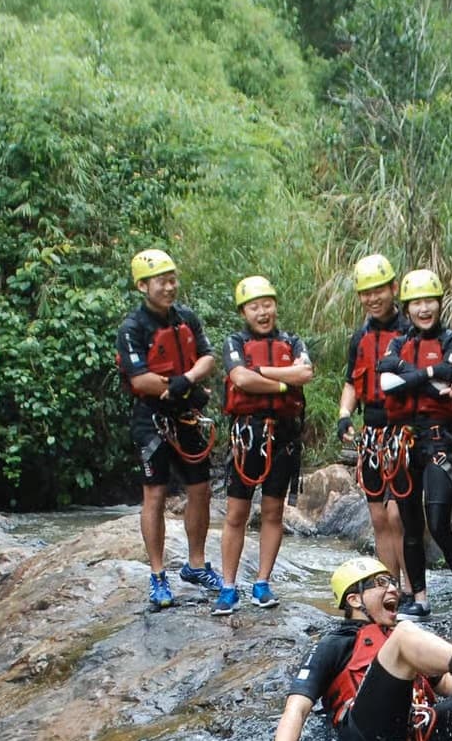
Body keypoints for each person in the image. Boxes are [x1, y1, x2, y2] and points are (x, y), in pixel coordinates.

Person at [269, 557, 452, 741]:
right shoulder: (336, 643)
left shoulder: (412, 646)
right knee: (405, 634)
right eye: (380, 583)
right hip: (366, 734)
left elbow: (449, 684)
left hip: (419, 728)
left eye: (393, 582)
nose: (393, 590)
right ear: (355, 600)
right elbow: (296, 708)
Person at [116, 247, 223, 609]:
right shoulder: (133, 328)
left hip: (186, 412)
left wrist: (186, 381)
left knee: (201, 489)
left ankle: (195, 564)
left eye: (172, 279)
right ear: (143, 286)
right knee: (155, 495)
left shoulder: (187, 317)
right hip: (152, 418)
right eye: (162, 281)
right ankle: (158, 575)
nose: (169, 287)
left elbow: (207, 356)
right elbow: (139, 378)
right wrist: (172, 386)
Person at [377, 269, 452, 621]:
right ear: (407, 308)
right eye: (417, 303)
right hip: (404, 441)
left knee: (438, 523)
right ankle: (419, 599)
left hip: (438, 437)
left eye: (430, 301)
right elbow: (387, 383)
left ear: (439, 303)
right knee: (409, 525)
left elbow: (450, 374)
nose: (424, 309)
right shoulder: (396, 342)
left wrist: (407, 375)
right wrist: (426, 375)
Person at [214, 275, 314, 615]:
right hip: (247, 436)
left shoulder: (292, 340)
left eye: (267, 304)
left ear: (275, 305)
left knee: (273, 512)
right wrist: (282, 382)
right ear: (244, 311)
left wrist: (263, 374)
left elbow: (305, 374)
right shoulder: (234, 340)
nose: (262, 312)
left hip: (283, 437)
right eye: (255, 307)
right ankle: (228, 587)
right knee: (237, 513)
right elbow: (239, 378)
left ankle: (262, 582)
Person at [336, 254, 409, 599]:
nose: (373, 298)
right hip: (372, 432)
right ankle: (391, 585)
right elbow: (352, 381)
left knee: (398, 514)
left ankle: (412, 583)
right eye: (366, 293)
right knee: (379, 516)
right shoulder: (359, 337)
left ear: (394, 288)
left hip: (404, 431)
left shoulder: (411, 331)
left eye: (379, 290)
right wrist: (344, 415)